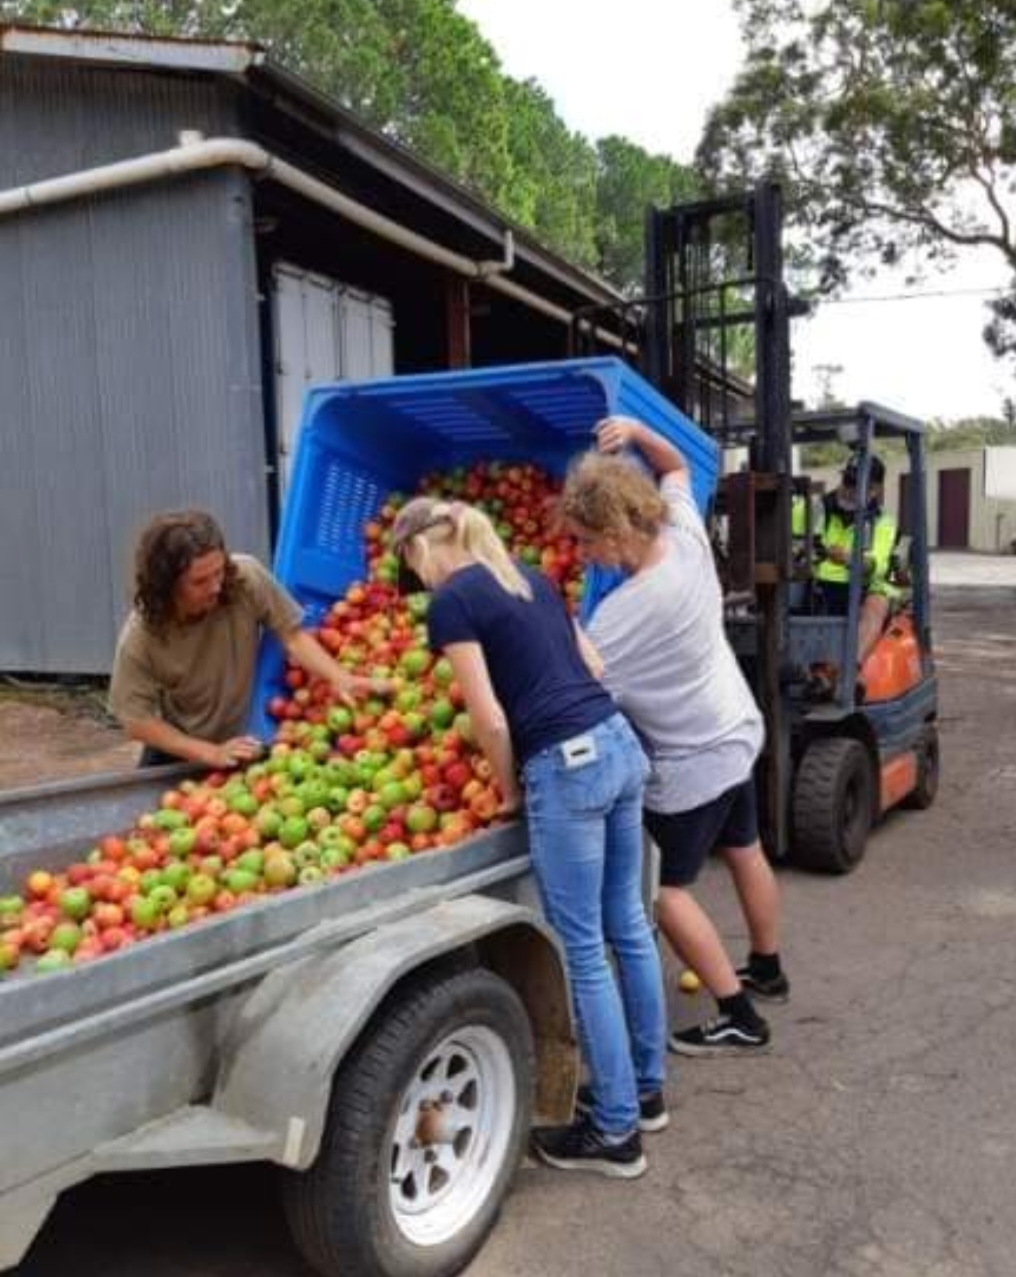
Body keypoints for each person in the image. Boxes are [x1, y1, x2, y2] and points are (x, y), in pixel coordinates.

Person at [391, 496, 668, 1179]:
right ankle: (647, 1088)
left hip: (565, 765)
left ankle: (615, 1132)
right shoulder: (528, 575)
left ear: (421, 550)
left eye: (412, 570)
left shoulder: (453, 600)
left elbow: (488, 717)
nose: (418, 584)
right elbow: (596, 668)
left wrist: (512, 789)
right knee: (627, 923)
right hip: (619, 744)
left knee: (582, 950)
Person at [559, 419, 789, 1057]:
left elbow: (581, 686)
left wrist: (554, 621)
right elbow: (680, 467)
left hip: (692, 763)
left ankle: (739, 1014)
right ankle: (766, 967)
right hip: (737, 728)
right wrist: (635, 430)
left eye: (583, 543)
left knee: (662, 893)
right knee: (744, 848)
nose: (581, 557)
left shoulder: (625, 615)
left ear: (613, 532)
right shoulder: (685, 537)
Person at [110, 509, 387, 769]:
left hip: (247, 740)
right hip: (182, 749)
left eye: (218, 571)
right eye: (200, 581)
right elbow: (137, 721)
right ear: (167, 585)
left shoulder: (244, 578)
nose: (216, 586)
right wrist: (211, 753)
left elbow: (292, 634)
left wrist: (340, 678)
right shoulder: (143, 636)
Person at [815, 453, 898, 661]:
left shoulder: (883, 522)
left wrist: (849, 559)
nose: (850, 490)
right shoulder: (816, 509)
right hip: (820, 584)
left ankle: (850, 672)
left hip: (862, 587)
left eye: (859, 485)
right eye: (848, 481)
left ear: (875, 489)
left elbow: (876, 565)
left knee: (876, 603)